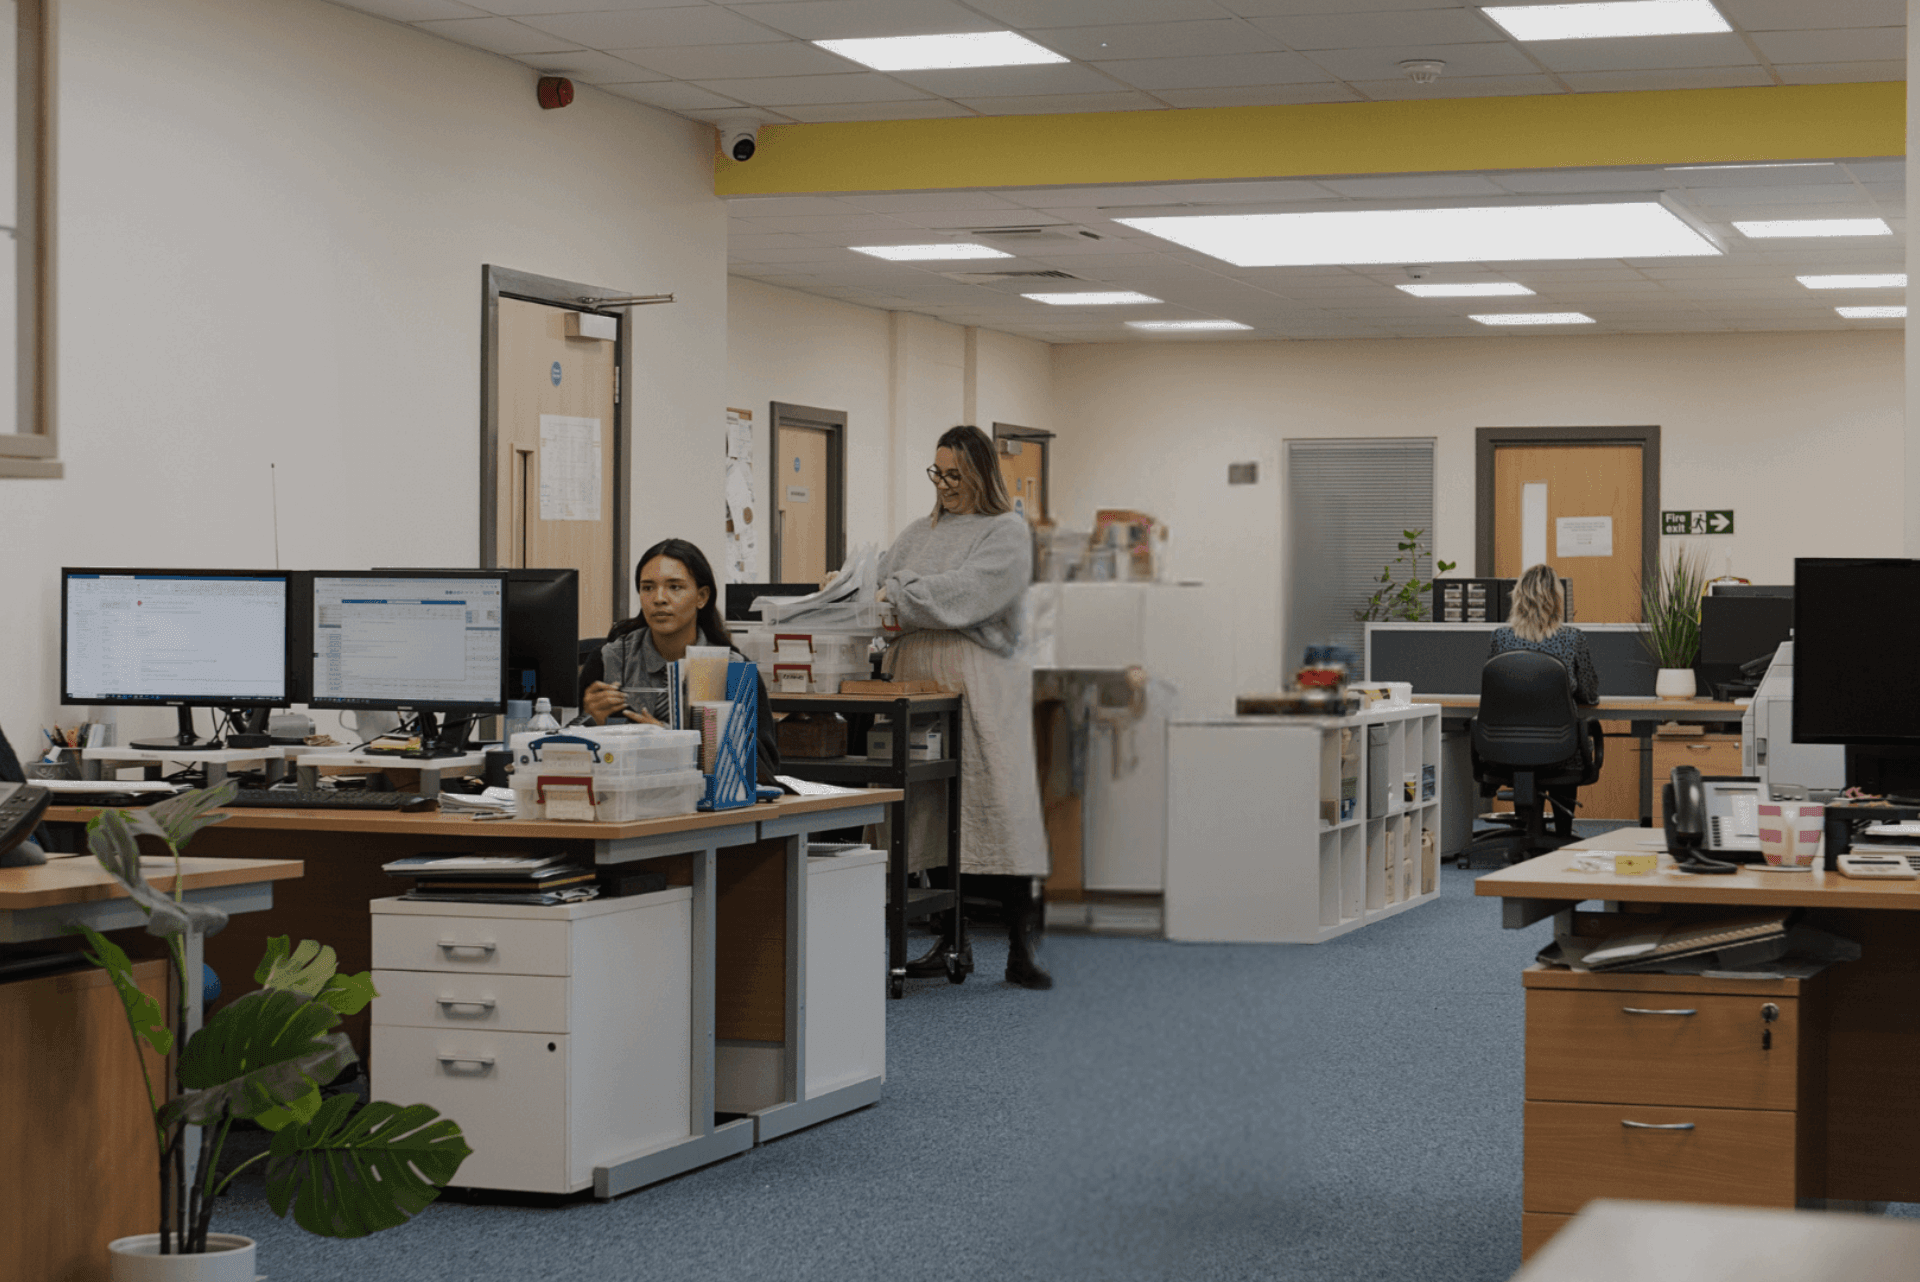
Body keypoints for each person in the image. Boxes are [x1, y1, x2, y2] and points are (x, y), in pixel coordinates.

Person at [880, 425, 1052, 990]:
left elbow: (966, 595)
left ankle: (1022, 948)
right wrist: (899, 593)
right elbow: (883, 587)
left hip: (978, 681)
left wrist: (906, 594)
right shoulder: (916, 533)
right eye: (938, 474)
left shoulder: (1006, 532)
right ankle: (952, 943)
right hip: (916, 680)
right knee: (930, 810)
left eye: (956, 475)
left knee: (998, 806)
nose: (946, 485)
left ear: (981, 473)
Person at [578, 538, 781, 785]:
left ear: (702, 597)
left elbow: (763, 770)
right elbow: (560, 753)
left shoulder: (732, 668)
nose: (659, 598)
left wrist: (673, 744)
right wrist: (588, 723)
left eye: (675, 587)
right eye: (647, 588)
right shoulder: (609, 660)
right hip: (621, 801)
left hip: (705, 809)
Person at [1489, 564, 1599, 705]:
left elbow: (1492, 691)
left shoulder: (1500, 637)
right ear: (1557, 599)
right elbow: (1589, 695)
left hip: (1510, 724)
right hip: (1559, 725)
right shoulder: (1572, 637)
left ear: (1517, 597)